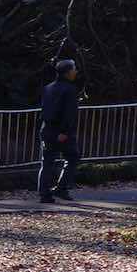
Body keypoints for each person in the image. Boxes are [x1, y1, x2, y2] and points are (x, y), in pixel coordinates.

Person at [37, 59, 82, 203]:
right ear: (68, 72)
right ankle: (61, 187)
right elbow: (69, 113)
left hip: (47, 129)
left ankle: (44, 193)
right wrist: (64, 132)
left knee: (47, 162)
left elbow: (45, 110)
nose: (76, 72)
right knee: (73, 157)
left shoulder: (48, 87)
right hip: (61, 131)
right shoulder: (70, 89)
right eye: (74, 69)